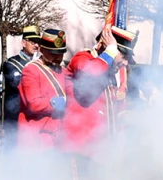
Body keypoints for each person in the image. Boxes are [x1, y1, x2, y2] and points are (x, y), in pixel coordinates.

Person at [64, 26, 138, 156]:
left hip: (102, 151)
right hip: (80, 150)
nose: (125, 63)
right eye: (123, 56)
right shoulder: (82, 58)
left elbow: (117, 113)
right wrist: (110, 52)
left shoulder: (112, 72)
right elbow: (89, 74)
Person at [18, 28, 69, 150]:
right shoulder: (30, 70)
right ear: (42, 49)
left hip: (59, 137)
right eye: (53, 53)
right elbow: (34, 103)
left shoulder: (65, 72)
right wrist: (62, 102)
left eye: (60, 53)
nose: (57, 58)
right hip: (38, 139)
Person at [1, 26, 41, 148]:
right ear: (23, 42)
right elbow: (15, 82)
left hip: (33, 120)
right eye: (32, 41)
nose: (36, 45)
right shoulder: (11, 63)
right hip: (14, 119)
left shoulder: (40, 63)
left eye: (38, 42)